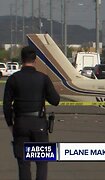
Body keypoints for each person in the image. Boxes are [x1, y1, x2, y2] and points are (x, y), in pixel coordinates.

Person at [3, 46, 60, 180]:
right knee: (41, 163)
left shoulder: (13, 79)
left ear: (21, 59)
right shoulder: (43, 78)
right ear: (35, 60)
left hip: (20, 124)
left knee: (23, 164)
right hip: (39, 125)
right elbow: (55, 100)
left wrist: (11, 125)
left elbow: (6, 106)